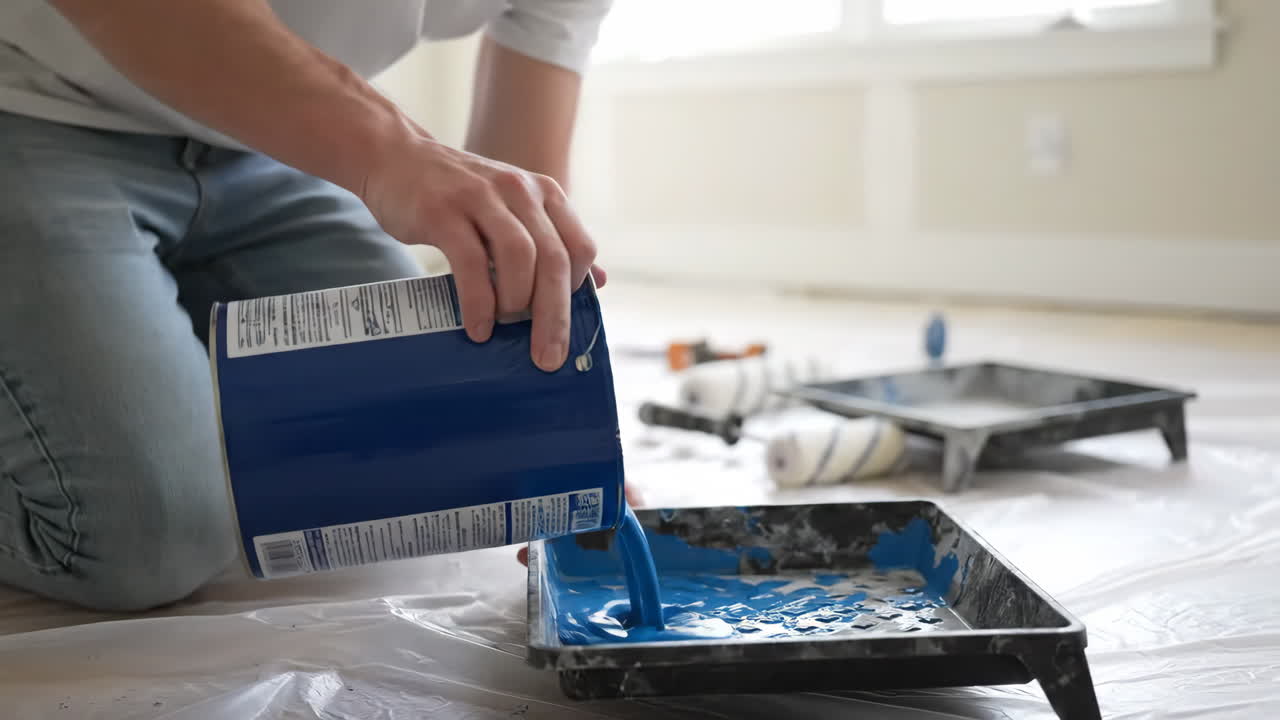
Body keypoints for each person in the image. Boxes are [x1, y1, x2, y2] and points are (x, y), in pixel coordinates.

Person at [0, 0, 630, 612]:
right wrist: (391, 153)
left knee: (415, 436)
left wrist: (557, 437)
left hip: (265, 145)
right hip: (28, 105)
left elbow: (518, 230)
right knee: (145, 532)